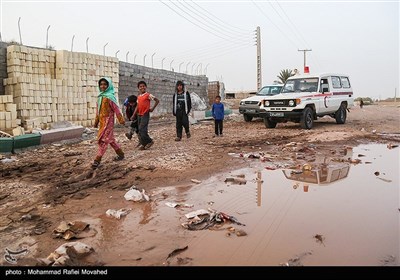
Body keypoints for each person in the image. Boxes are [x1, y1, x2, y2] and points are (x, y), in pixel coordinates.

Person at [92, 77, 125, 169]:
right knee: (111, 140)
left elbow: (116, 109)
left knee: (104, 141)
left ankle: (97, 160)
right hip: (102, 123)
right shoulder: (100, 97)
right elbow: (98, 112)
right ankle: (121, 154)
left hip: (108, 123)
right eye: (101, 84)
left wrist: (121, 119)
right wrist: (96, 122)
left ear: (108, 86)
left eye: (105, 84)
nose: (103, 86)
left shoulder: (110, 97)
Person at [132, 81, 159, 150]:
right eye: (140, 86)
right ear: (138, 88)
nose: (142, 87)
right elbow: (137, 107)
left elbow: (157, 100)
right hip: (139, 115)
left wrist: (152, 108)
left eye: (143, 86)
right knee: (140, 130)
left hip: (145, 114)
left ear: (146, 87)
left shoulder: (148, 95)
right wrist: (133, 115)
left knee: (141, 129)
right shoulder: (138, 97)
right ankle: (144, 144)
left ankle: (150, 141)